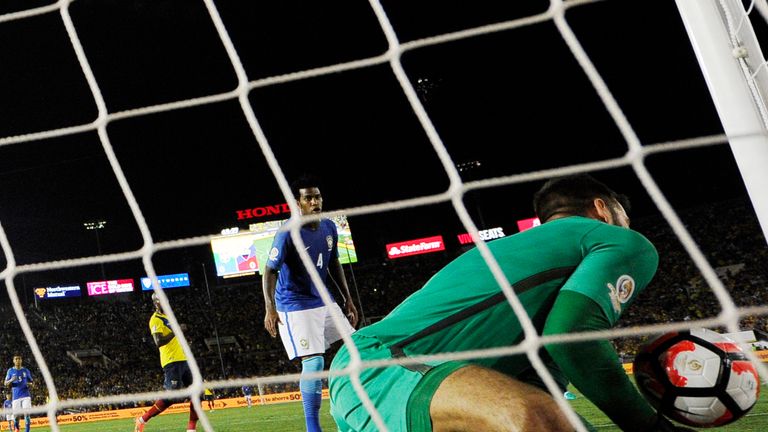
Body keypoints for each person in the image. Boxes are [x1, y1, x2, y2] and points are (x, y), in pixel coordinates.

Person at [328, 173, 695, 432]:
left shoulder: (517, 259)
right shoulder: (620, 240)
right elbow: (568, 335)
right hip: (384, 367)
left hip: (387, 383)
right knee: (543, 418)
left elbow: (549, 357)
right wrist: (650, 426)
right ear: (602, 209)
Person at [262, 174, 359, 432]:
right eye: (309, 198)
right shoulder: (287, 233)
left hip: (324, 300)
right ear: (298, 203)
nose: (315, 202)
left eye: (317, 197)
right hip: (295, 305)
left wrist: (347, 299)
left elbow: (334, 263)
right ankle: (312, 428)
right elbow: (269, 271)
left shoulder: (329, 227)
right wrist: (270, 308)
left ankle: (350, 412)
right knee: (314, 363)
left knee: (356, 348)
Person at [134, 292, 198, 432]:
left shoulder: (169, 317)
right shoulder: (155, 319)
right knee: (172, 397)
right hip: (171, 362)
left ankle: (191, 429)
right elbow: (158, 342)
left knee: (197, 392)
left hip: (183, 360)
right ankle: (141, 420)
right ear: (156, 303)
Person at [4, 355, 33, 432]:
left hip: (26, 395)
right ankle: (17, 428)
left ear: (21, 360)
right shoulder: (10, 371)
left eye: (19, 359)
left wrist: (29, 384)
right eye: (16, 359)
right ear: (13, 361)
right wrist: (11, 380)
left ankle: (27, 431)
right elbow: (5, 383)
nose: (18, 360)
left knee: (27, 414)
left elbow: (32, 382)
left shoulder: (26, 370)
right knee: (16, 416)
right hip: (16, 397)